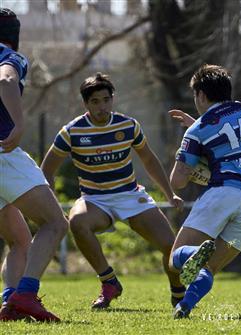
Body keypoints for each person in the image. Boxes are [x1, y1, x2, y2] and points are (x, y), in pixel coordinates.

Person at [41, 72, 186, 310]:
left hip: (130, 195)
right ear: (85, 104)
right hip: (95, 199)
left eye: (106, 100)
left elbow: (149, 160)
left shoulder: (128, 126)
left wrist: (170, 194)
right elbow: (46, 170)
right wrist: (52, 206)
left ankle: (178, 294)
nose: (102, 106)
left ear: (112, 99)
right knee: (77, 222)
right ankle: (109, 282)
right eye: (95, 102)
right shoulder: (72, 131)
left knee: (171, 247)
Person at [168, 64, 241, 318]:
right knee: (209, 268)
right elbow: (229, 131)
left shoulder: (197, 130)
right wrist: (199, 128)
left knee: (175, 260)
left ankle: (195, 252)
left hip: (225, 193)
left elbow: (177, 181)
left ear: (201, 95)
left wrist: (186, 147)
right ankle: (185, 306)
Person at [0, 8, 69, 322]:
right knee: (55, 224)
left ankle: (9, 304)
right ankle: (26, 295)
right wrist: (18, 122)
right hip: (3, 154)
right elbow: (6, 79)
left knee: (18, 239)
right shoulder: (10, 55)